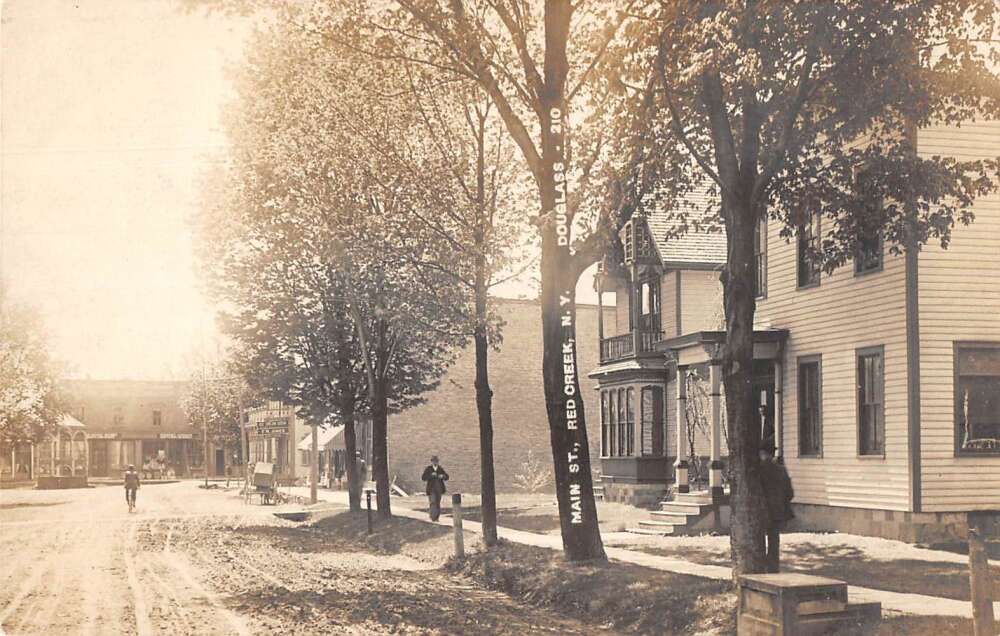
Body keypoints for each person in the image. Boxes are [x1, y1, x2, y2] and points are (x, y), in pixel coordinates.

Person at [759, 438, 794, 573]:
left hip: (761, 510)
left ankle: (760, 566)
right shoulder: (781, 470)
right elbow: (790, 493)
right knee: (774, 540)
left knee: (759, 539)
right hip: (777, 511)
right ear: (772, 453)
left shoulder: (758, 470)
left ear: (761, 453)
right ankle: (773, 567)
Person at [421, 455, 449, 522]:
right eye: (434, 461)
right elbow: (423, 478)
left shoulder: (440, 469)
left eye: (436, 461)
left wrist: (443, 476)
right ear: (431, 462)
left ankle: (437, 517)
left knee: (437, 503)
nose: (435, 462)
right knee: (433, 502)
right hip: (431, 489)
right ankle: (433, 517)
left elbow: (447, 477)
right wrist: (431, 475)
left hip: (439, 489)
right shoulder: (429, 469)